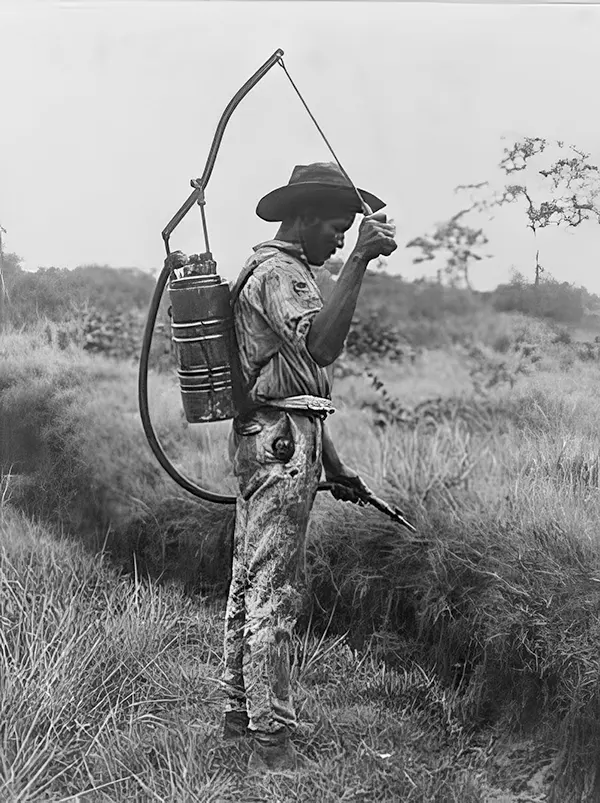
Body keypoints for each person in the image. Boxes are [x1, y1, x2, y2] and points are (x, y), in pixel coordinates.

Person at [221, 162, 397, 773]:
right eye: (336, 228)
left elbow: (301, 381)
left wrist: (336, 465)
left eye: (350, 234)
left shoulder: (281, 270)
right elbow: (321, 346)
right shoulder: (282, 273)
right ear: (299, 219)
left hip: (279, 437)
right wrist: (362, 263)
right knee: (275, 590)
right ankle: (273, 741)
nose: (342, 241)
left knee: (250, 579)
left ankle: (240, 716)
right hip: (279, 445)